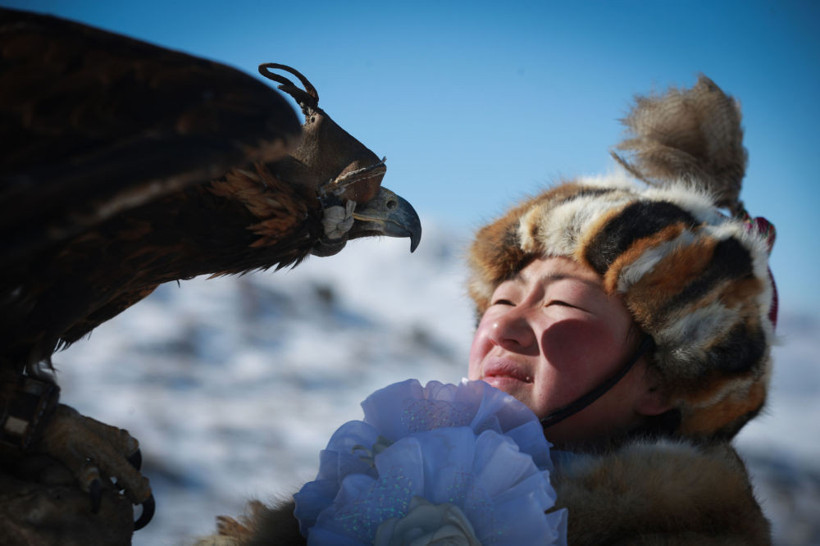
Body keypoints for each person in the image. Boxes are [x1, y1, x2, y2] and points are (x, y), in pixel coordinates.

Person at [203, 76, 775, 545]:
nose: (501, 325)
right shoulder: (356, 498)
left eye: (559, 302)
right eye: (500, 299)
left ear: (662, 381)